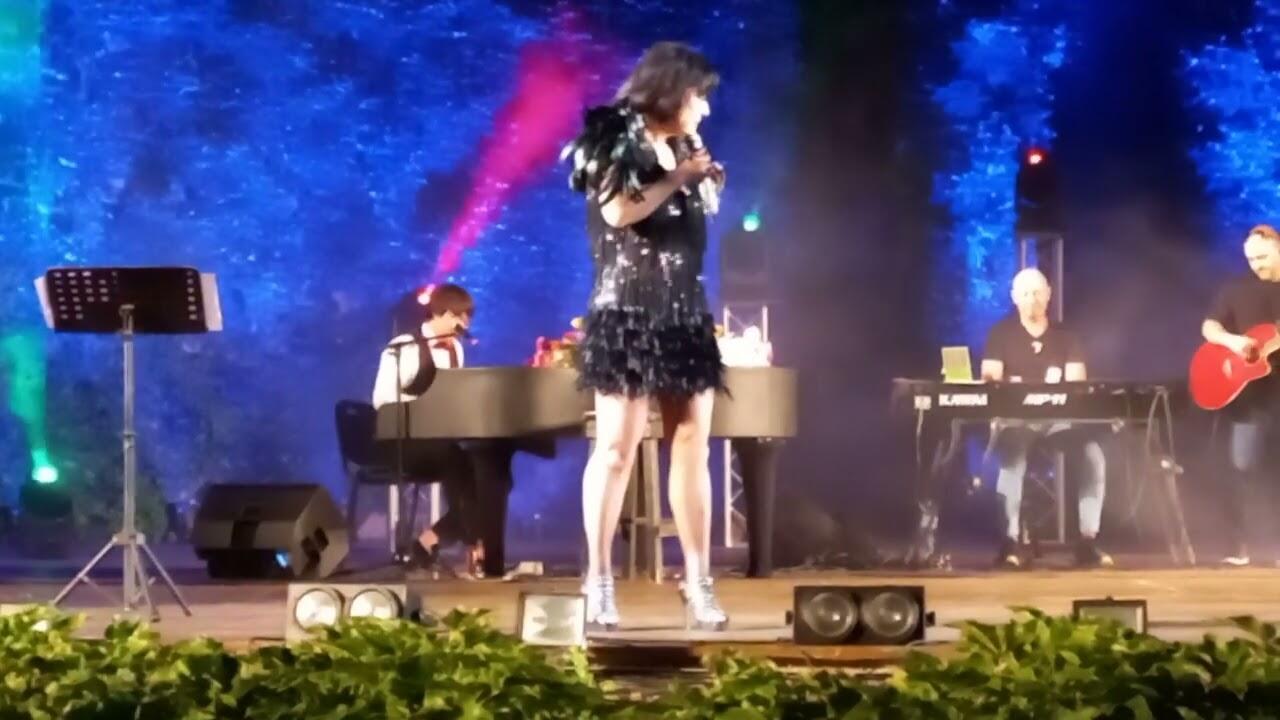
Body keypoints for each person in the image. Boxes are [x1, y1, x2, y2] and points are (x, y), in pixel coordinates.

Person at [563, 41, 728, 630]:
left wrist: (703, 182)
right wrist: (678, 177)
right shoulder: (614, 136)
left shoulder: (684, 147)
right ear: (672, 91)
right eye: (699, 97)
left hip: (683, 312)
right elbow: (618, 212)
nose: (705, 109)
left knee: (692, 442)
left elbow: (689, 222)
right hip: (627, 310)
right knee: (616, 448)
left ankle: (699, 580)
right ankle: (599, 579)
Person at [981, 268, 1112, 569]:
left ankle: (1087, 540)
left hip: (1059, 421)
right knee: (1012, 459)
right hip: (1017, 421)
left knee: (1093, 456)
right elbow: (991, 380)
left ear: (1049, 295)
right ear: (1015, 297)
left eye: (1038, 292)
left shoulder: (1067, 337)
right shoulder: (1000, 334)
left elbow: (1076, 384)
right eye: (1026, 293)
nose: (1032, 299)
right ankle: (1010, 541)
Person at [371, 283, 483, 576]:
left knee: (482, 469)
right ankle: (473, 548)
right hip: (404, 440)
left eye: (467, 318)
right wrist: (423, 408)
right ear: (441, 313)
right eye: (459, 316)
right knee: (460, 463)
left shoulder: (456, 349)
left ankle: (431, 541)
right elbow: (381, 400)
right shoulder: (404, 347)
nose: (464, 325)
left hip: (441, 440)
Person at [1201, 224, 1280, 566]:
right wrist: (1233, 342)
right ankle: (1241, 545)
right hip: (1249, 397)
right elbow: (1210, 326)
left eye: (1262, 258)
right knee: (1242, 466)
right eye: (1251, 259)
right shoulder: (1235, 289)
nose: (1256, 265)